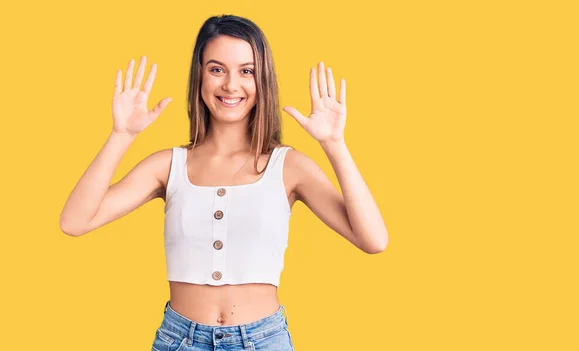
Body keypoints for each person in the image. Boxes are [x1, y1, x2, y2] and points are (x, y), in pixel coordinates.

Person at [59, 14, 388, 351]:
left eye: (247, 71)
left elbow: (374, 239)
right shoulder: (168, 165)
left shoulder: (288, 166)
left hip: (264, 341)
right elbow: (74, 221)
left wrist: (334, 144)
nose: (231, 85)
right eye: (217, 69)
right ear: (199, 76)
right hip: (179, 340)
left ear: (263, 81)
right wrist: (121, 135)